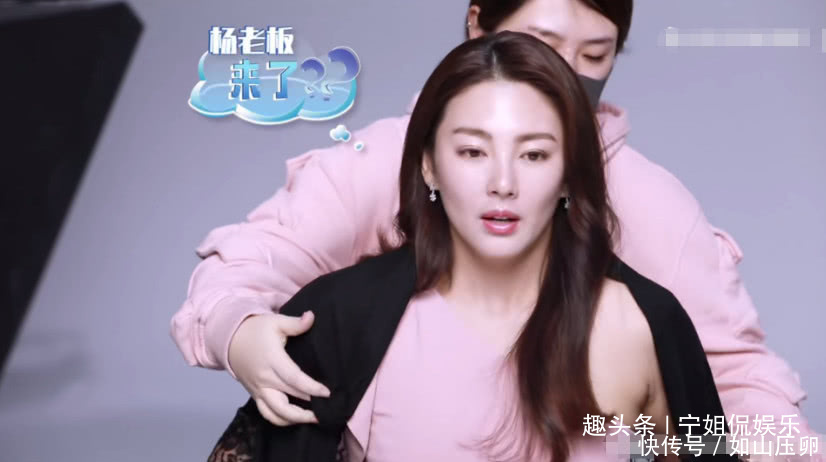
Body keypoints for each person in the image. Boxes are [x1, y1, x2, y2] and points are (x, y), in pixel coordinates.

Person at [171, 0, 816, 441]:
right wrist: (238, 329)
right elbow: (259, 261)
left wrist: (765, 444)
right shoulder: (380, 161)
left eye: (597, 54)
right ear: (479, 24)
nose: (567, 72)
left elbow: (733, 376)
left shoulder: (651, 202)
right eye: (543, 44)